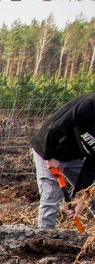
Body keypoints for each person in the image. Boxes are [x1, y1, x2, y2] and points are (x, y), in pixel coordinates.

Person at [30, 92, 95, 230]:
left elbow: (92, 166)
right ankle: (44, 240)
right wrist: (49, 156)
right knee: (51, 196)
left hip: (73, 155)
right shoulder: (90, 104)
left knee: (93, 193)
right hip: (48, 146)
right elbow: (56, 127)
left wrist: (80, 198)